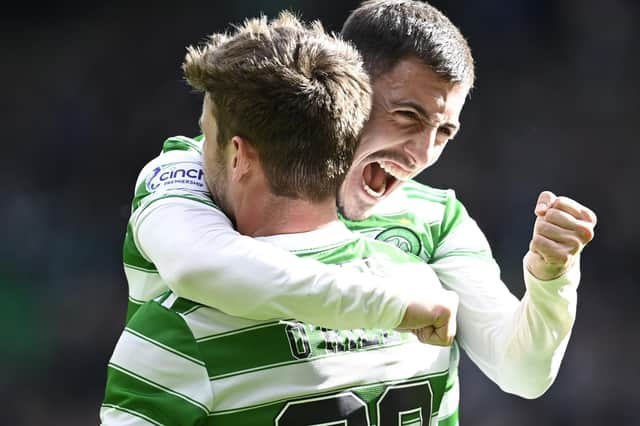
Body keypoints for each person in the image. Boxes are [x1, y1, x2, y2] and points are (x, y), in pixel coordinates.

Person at [119, 0, 597, 424]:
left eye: (444, 132)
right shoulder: (206, 168)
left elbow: (522, 371)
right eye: (407, 116)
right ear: (352, 85)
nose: (421, 154)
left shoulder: (434, 219)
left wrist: (551, 281)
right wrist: (396, 306)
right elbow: (200, 266)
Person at [102, 12, 460, 425]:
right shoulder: (423, 291)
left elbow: (197, 265)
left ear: (239, 156)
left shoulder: (182, 329)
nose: (196, 152)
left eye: (206, 134)